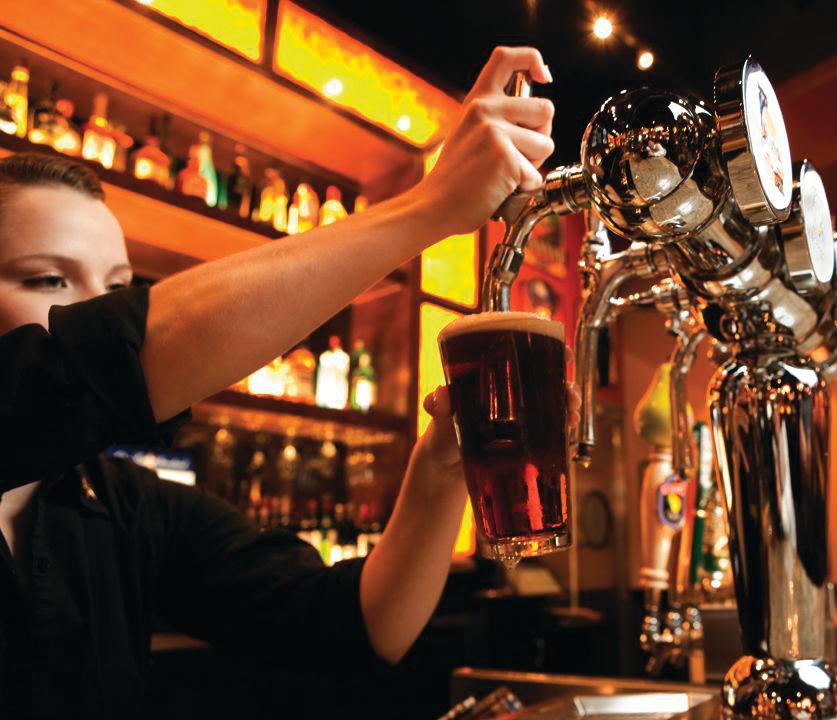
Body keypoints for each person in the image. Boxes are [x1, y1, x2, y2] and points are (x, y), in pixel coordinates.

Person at [0, 47, 574, 716]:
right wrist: (429, 207)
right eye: (48, 279)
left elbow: (354, 627)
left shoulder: (120, 503)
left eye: (120, 289)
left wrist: (442, 470)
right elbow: (99, 362)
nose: (92, 311)